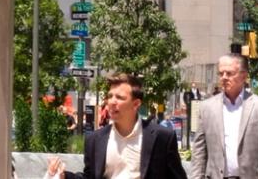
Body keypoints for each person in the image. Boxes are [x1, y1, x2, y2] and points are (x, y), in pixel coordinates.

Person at [47, 72, 187, 179]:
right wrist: (64, 176)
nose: (112, 102)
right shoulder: (95, 140)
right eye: (110, 96)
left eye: (119, 97)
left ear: (136, 104)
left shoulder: (162, 137)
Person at [184, 54, 258, 179]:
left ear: (244, 76)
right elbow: (199, 151)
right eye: (221, 73)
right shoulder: (206, 108)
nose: (224, 77)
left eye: (229, 73)